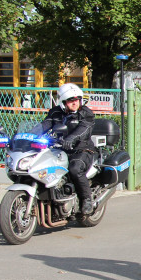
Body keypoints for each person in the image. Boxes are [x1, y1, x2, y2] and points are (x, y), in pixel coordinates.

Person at [41, 83, 97, 215]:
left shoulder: (86, 113)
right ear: (63, 102)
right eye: (71, 100)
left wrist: (71, 138)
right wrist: (28, 137)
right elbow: (44, 125)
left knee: (75, 168)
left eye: (77, 99)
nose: (75, 103)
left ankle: (86, 200)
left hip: (82, 150)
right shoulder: (55, 112)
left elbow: (83, 129)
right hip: (60, 149)